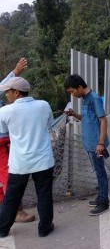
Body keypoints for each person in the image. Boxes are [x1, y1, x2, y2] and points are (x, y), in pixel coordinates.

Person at [0, 77, 55, 238]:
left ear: (17, 92)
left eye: (8, 92)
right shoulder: (43, 105)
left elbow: (4, 133)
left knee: (12, 196)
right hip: (43, 160)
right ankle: (44, 228)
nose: (6, 95)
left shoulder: (5, 111)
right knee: (44, 194)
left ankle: (3, 229)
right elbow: (49, 125)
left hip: (19, 162)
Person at [64, 74, 110, 216]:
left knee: (100, 172)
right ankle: (101, 197)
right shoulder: (85, 99)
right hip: (90, 143)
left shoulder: (94, 99)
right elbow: (87, 118)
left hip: (96, 144)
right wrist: (75, 114)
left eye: (72, 91)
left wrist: (100, 143)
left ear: (79, 87)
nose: (73, 94)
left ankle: (104, 201)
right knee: (97, 171)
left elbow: (103, 121)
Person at [0, 58, 35, 223]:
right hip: (2, 142)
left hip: (5, 139)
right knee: (9, 174)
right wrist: (15, 73)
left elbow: (2, 87)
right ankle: (16, 211)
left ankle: (6, 207)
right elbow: (2, 88)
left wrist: (15, 72)